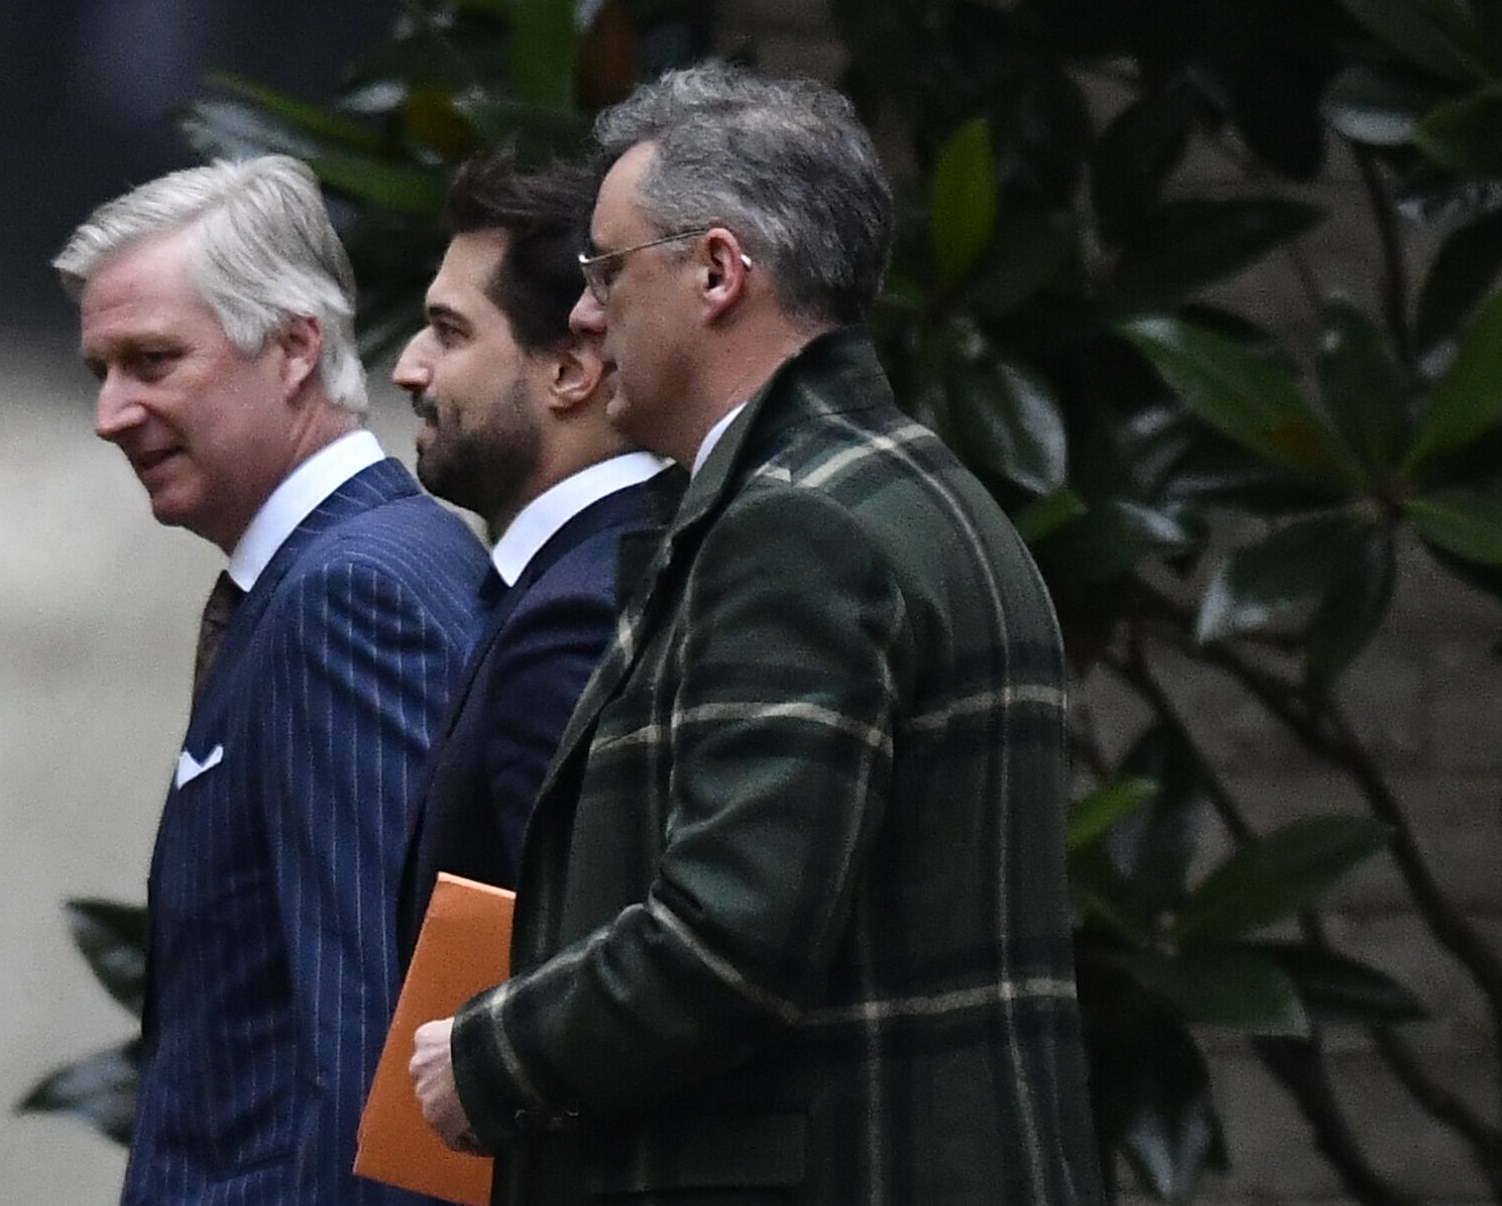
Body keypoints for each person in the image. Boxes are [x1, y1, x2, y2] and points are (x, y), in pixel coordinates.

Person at [407, 65, 1104, 1204]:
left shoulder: (794, 525)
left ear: (719, 271)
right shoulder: (909, 490)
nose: (582, 314)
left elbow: (730, 943)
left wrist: (488, 1058)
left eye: (605, 271)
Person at [58, 155, 487, 1206]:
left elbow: (387, 1062)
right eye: (101, 370)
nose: (112, 412)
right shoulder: (356, 569)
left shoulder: (349, 597)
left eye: (153, 360)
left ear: (296, 347)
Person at [387, 150, 668, 957]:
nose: (408, 368)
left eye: (449, 332)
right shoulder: (604, 567)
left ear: (572, 371)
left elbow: (579, 964)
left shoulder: (573, 618)